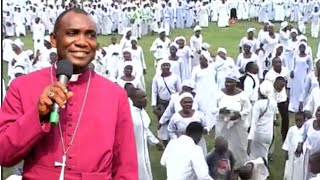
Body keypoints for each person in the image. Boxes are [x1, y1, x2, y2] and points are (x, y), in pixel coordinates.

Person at [0, 8, 138, 179]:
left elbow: (126, 168)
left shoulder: (115, 94)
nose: (82, 42)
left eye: (90, 35)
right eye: (72, 33)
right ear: (53, 39)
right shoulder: (22, 86)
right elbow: (3, 154)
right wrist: (38, 115)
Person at [215, 74, 252, 168]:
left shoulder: (242, 95)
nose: (228, 84)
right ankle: (222, 165)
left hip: (238, 126)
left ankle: (238, 166)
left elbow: (248, 108)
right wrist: (220, 111)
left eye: (231, 82)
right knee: (222, 144)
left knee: (238, 146)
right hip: (223, 125)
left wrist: (239, 114)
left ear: (236, 83)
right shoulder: (219, 94)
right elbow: (212, 108)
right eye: (226, 82)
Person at [129, 88, 162, 180]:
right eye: (142, 97)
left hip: (143, 151)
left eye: (145, 96)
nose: (146, 99)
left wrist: (155, 142)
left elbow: (145, 130)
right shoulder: (130, 114)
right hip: (134, 152)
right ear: (133, 99)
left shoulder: (141, 112)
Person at [247, 80, 278, 161]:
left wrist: (249, 142)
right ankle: (265, 172)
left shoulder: (258, 104)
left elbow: (253, 125)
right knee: (264, 156)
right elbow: (275, 118)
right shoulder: (273, 102)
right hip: (268, 134)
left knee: (254, 157)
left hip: (258, 134)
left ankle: (257, 173)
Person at [295, 106, 320, 180]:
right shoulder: (309, 123)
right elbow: (302, 135)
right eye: (318, 110)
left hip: (318, 156)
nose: (318, 113)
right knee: (305, 173)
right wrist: (300, 144)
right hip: (307, 153)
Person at [282, 112, 305, 180]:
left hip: (300, 157)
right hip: (291, 154)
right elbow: (288, 141)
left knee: (298, 171)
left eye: (300, 120)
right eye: (296, 120)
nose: (298, 122)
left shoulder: (305, 130)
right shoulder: (292, 129)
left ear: (304, 120)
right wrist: (286, 152)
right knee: (289, 170)